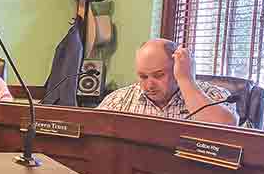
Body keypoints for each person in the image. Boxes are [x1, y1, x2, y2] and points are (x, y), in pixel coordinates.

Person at [97, 39, 238, 125]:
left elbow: (227, 130)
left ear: (177, 67)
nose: (149, 85)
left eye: (158, 75)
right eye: (143, 76)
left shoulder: (213, 96)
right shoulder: (120, 99)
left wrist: (186, 79)